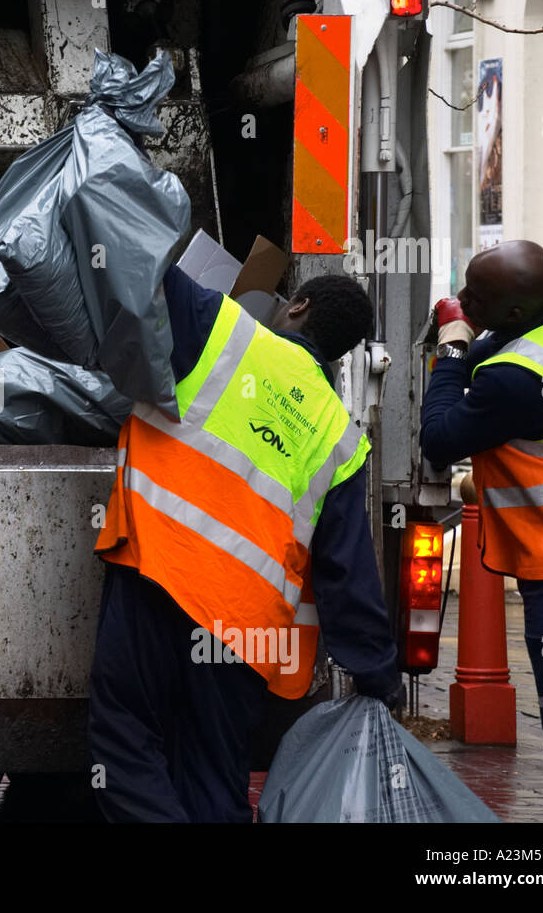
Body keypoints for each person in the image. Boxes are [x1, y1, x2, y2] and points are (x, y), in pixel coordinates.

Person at [89, 262, 403, 822]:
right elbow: (348, 574)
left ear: (299, 306)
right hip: (245, 624)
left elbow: (144, 267)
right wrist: (378, 674)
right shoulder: (340, 435)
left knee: (126, 740)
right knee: (215, 769)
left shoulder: (224, 328)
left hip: (161, 572)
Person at [420, 239, 543, 823]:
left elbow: (441, 438)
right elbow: (499, 347)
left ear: (517, 312)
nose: (463, 299)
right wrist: (474, 331)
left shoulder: (514, 381)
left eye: (478, 296)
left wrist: (450, 351)